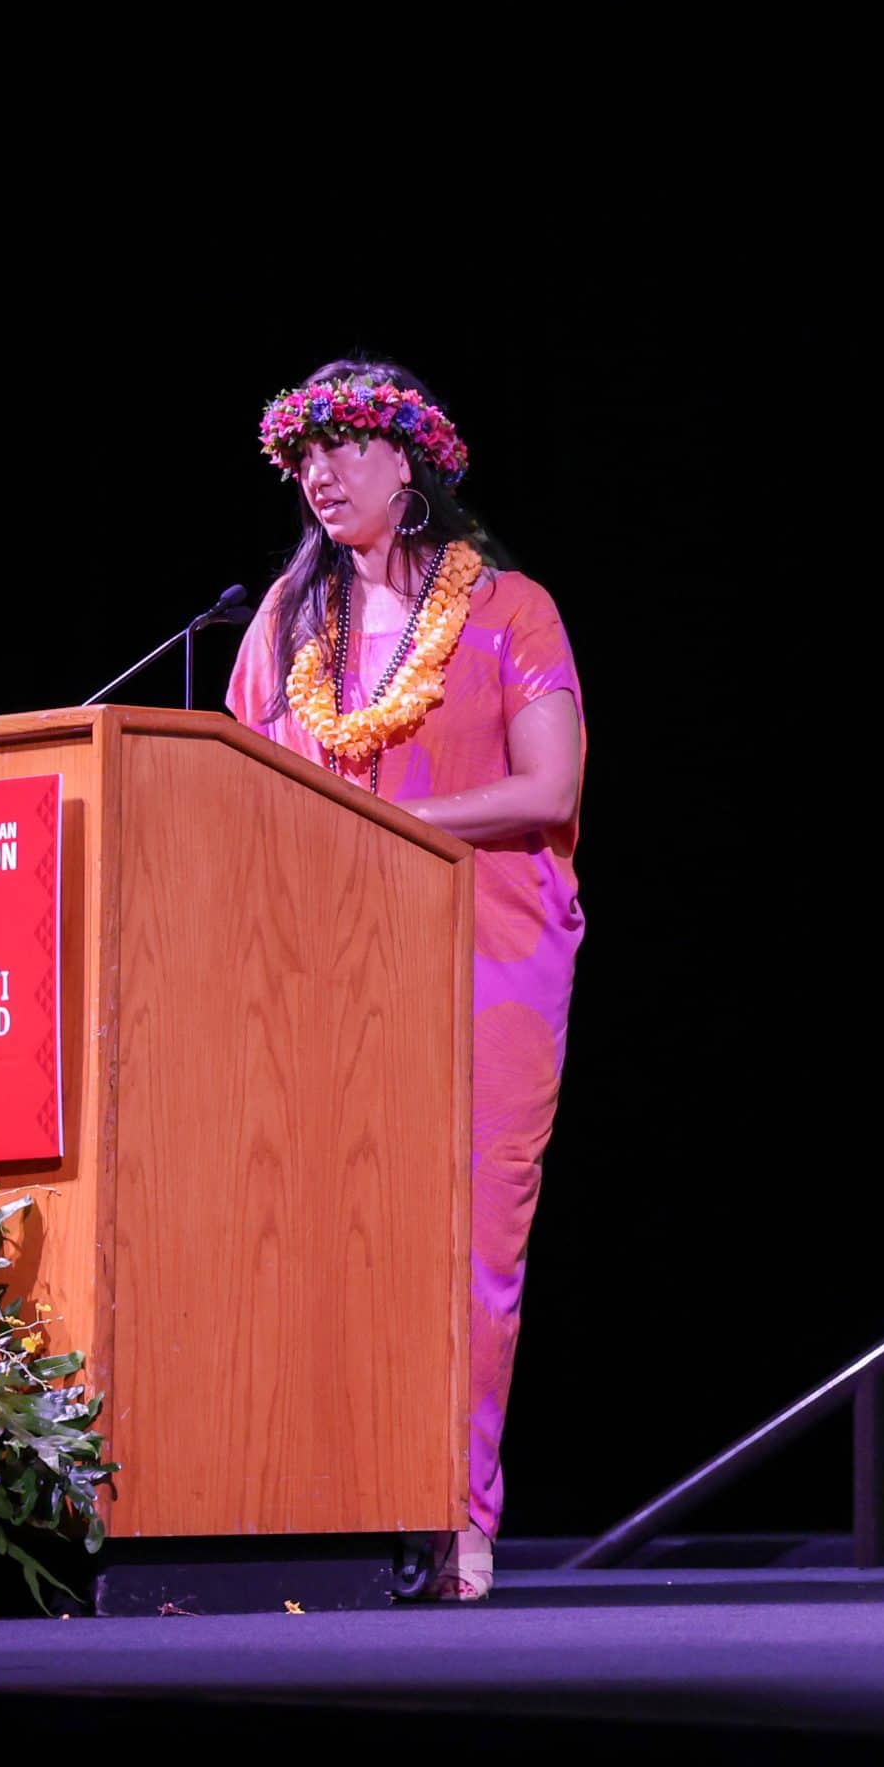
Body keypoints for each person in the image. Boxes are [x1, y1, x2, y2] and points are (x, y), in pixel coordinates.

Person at [227, 359, 584, 1601]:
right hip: (321, 966)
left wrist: (396, 825)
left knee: (469, 1242)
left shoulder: (509, 611)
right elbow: (237, 790)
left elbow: (549, 787)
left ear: (410, 459)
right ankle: (322, 1499)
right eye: (301, 456)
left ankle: (455, 1514)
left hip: (489, 952)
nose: (318, 475)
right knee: (322, 1231)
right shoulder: (285, 623)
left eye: (343, 446)